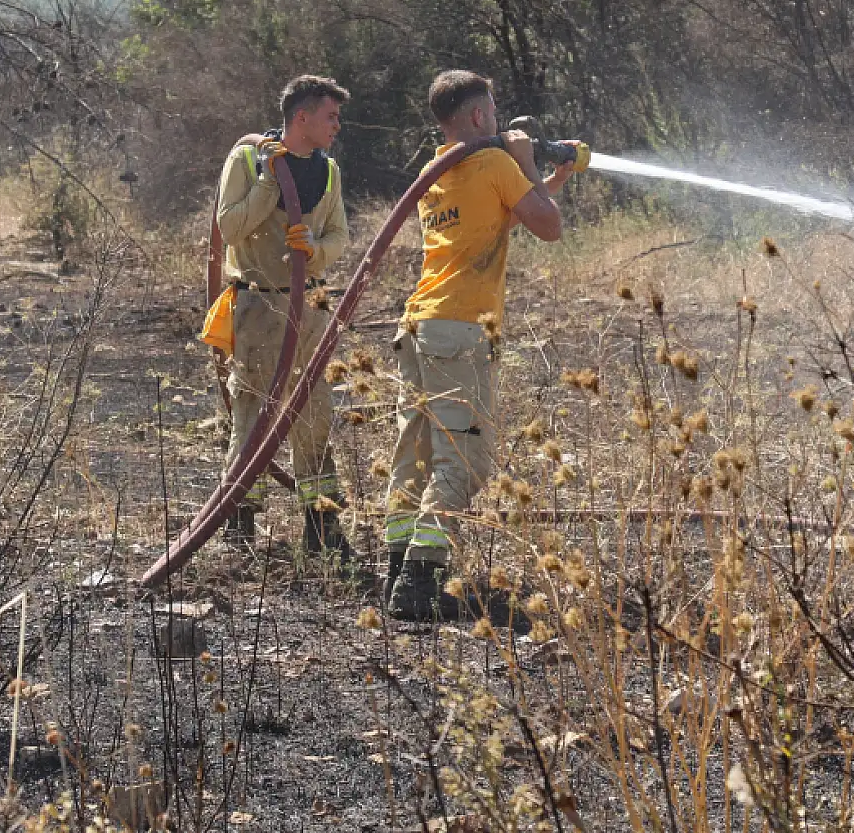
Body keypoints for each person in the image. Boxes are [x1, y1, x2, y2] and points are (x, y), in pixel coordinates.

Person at [383, 70, 579, 620]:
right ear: (476, 116)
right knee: (466, 461)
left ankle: (394, 571)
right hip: (459, 329)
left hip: (419, 326)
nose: (496, 120)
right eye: (491, 111)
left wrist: (546, 178)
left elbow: (497, 220)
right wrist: (527, 164)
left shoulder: (436, 169)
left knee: (414, 455)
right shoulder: (494, 163)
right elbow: (549, 227)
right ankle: (419, 582)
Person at [200, 75, 352, 555]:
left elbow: (340, 235)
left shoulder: (328, 171)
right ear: (301, 118)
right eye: (330, 116)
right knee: (253, 414)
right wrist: (270, 181)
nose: (337, 126)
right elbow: (229, 226)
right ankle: (239, 522)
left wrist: (314, 250)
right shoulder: (248, 159)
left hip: (308, 306)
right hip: (257, 305)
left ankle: (321, 524)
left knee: (314, 410)